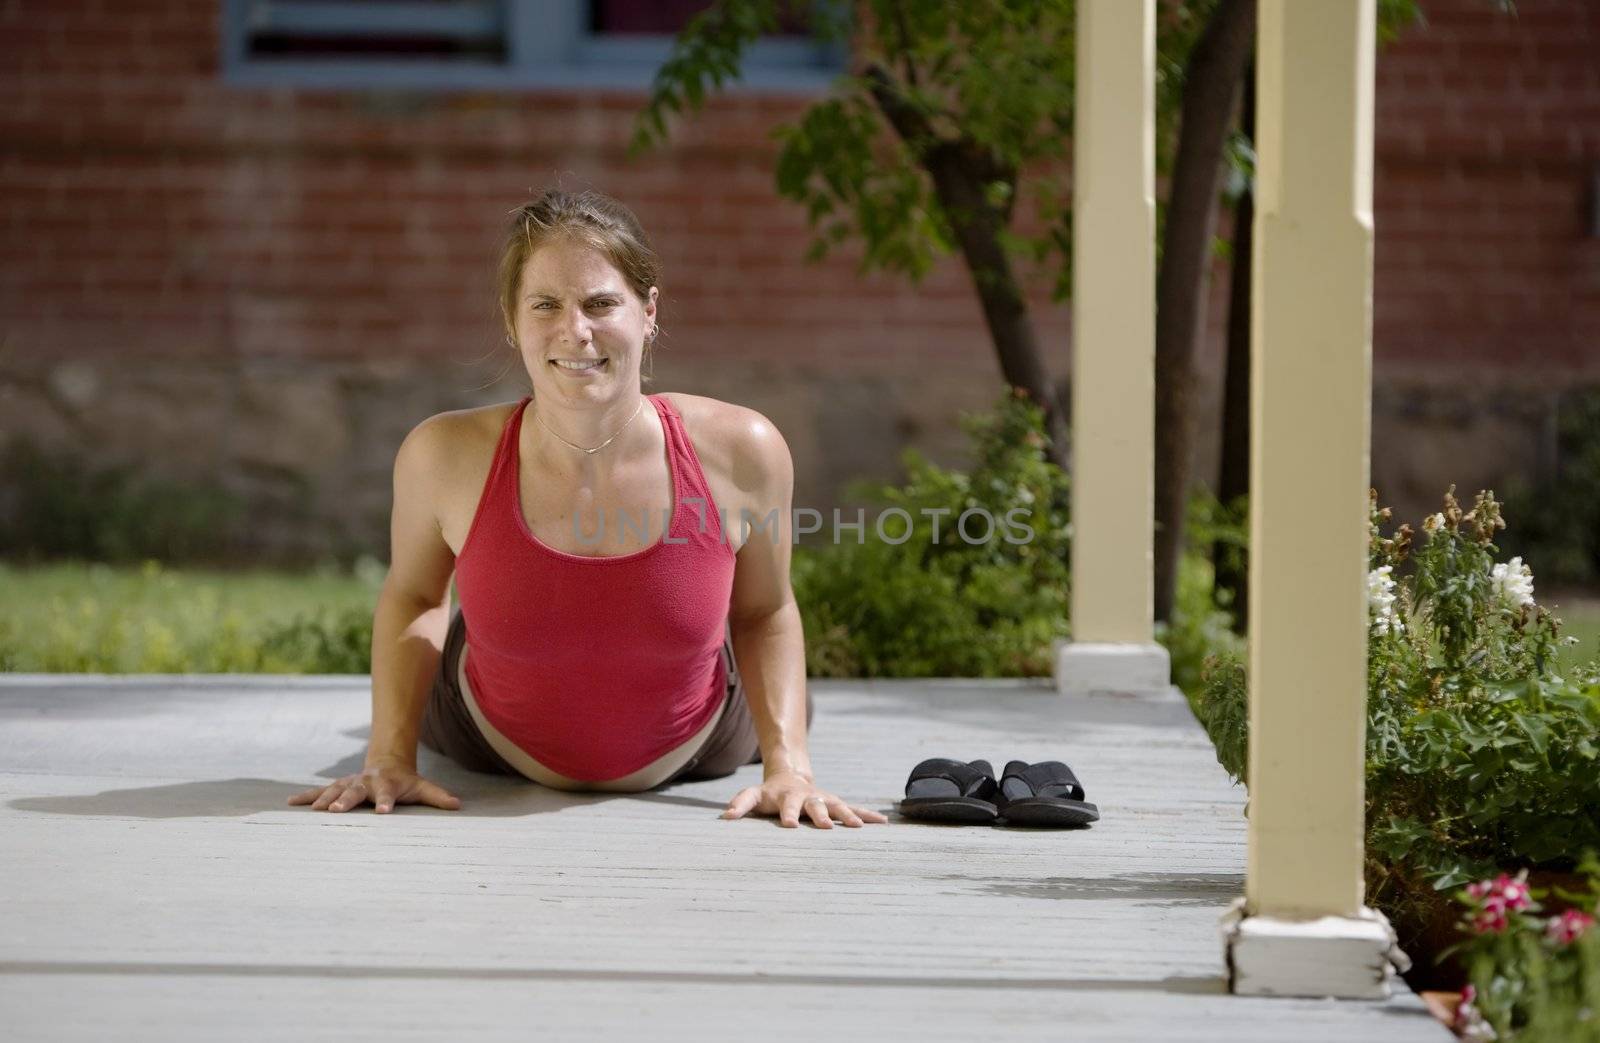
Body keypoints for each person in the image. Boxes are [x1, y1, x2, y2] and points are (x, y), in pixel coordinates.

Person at [289, 189, 886, 831]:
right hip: (482, 729)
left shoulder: (745, 450)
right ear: (512, 319)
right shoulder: (443, 454)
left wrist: (789, 769)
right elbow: (413, 597)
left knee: (768, 682)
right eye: (545, 304)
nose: (576, 331)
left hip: (701, 735)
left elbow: (767, 611)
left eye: (602, 303)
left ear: (648, 311)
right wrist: (388, 757)